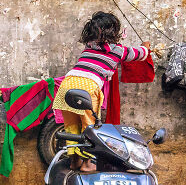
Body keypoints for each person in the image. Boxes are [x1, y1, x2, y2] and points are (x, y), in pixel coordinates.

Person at [52, 11, 150, 172]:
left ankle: (74, 161)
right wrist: (146, 47)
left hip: (67, 85)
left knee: (71, 127)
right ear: (114, 32)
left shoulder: (89, 46)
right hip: (88, 87)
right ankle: (88, 163)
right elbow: (139, 55)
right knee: (90, 128)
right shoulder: (117, 50)